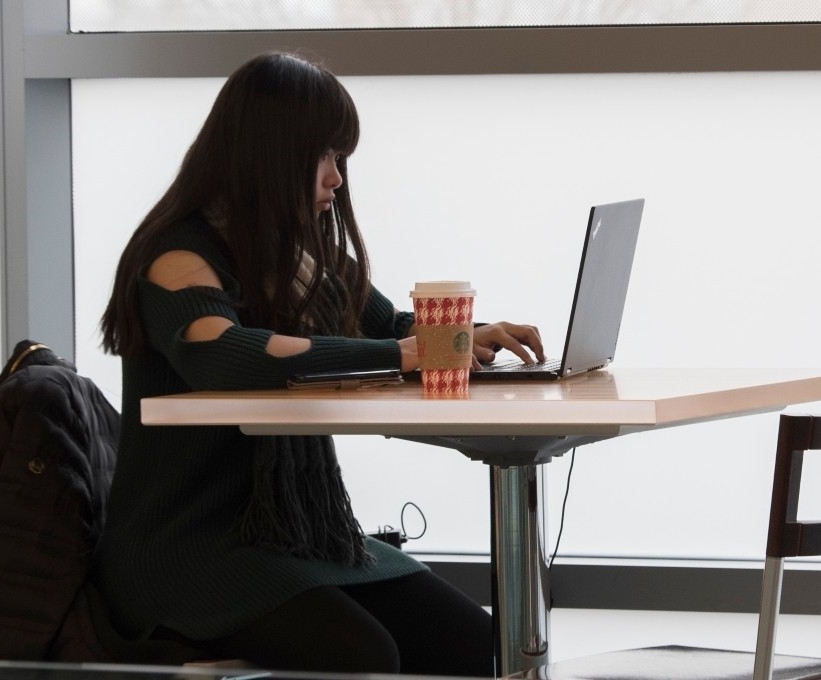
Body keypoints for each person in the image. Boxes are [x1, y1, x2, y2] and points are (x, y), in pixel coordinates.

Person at [94, 51, 545, 676]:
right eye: (324, 156)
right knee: (362, 655)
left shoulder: (302, 253)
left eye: (341, 158)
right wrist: (407, 355)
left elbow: (390, 325)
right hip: (186, 550)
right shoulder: (177, 254)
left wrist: (469, 338)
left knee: (475, 644)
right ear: (269, 155)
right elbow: (228, 353)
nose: (336, 178)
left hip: (295, 533)